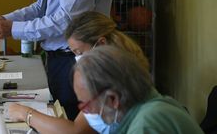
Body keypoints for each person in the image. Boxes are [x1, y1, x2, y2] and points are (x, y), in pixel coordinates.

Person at [7, 11, 149, 134]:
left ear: (100, 44)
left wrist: (25, 113)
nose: (78, 59)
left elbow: (75, 131)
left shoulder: (111, 77)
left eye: (79, 52)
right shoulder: (124, 63)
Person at [73, 46, 203, 134]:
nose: (87, 111)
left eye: (87, 104)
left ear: (113, 99)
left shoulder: (147, 125)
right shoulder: (153, 107)